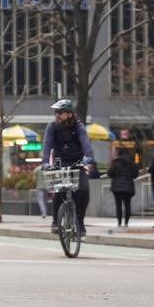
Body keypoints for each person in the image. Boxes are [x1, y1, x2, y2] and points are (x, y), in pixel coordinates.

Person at [41, 99, 93, 237]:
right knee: (59, 192)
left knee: (84, 190)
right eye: (56, 112)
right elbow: (47, 145)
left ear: (70, 114)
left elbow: (85, 143)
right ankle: (55, 222)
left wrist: (88, 157)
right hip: (60, 164)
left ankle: (80, 222)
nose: (57, 115)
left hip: (77, 163)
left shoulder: (78, 127)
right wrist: (45, 162)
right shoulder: (52, 127)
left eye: (60, 112)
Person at [107, 149, 138, 229]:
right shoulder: (131, 163)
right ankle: (126, 223)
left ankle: (119, 223)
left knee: (118, 205)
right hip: (128, 187)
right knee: (127, 205)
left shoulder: (116, 162)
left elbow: (110, 173)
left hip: (117, 187)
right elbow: (135, 174)